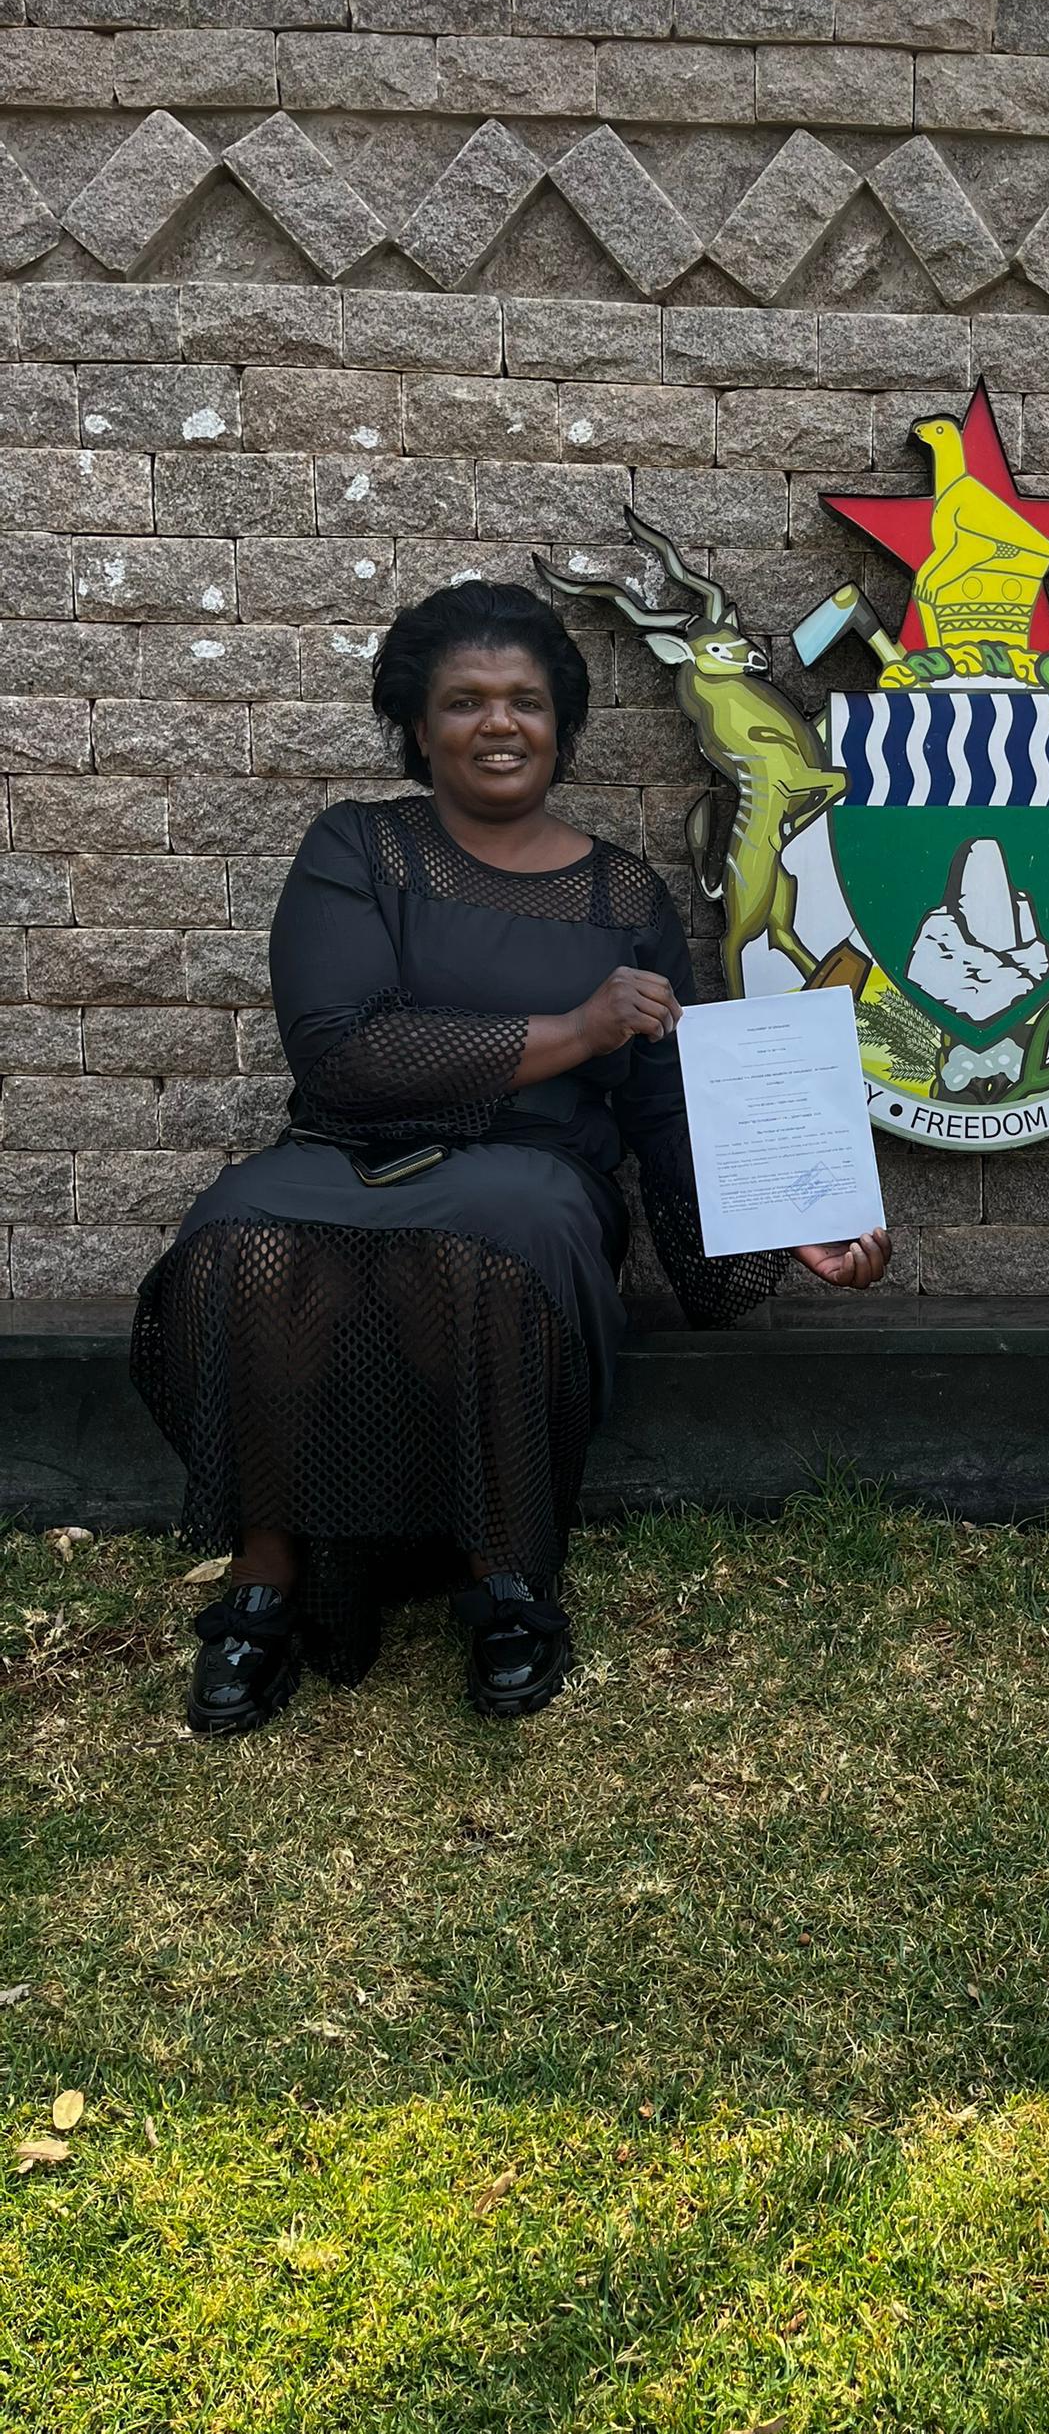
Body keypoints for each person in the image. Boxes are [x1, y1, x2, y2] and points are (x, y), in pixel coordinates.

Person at [133, 582, 889, 1737]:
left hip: (535, 1171)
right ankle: (265, 1574)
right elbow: (340, 1053)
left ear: (561, 725)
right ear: (418, 724)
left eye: (526, 701)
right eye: (465, 701)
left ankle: (506, 1575)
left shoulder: (621, 894)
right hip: (345, 1149)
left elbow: (667, 1105)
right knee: (243, 1237)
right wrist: (575, 1030)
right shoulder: (358, 848)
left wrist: (794, 1216)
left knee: (488, 1239)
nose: (499, 723)